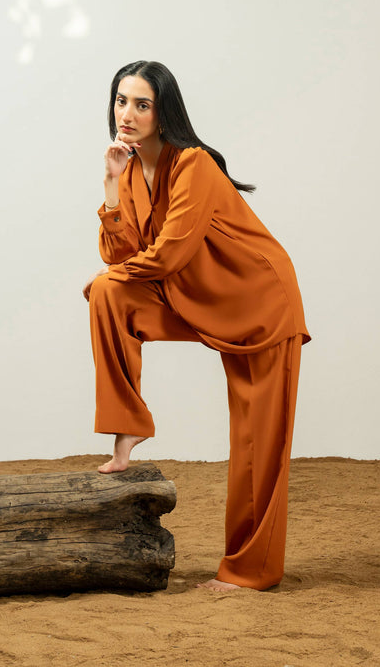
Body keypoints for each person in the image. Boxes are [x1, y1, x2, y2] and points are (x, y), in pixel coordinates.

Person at [82, 61, 310, 593]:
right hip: (196, 298)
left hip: (258, 302)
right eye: (121, 101)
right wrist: (111, 184)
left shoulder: (194, 165)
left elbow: (167, 255)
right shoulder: (131, 172)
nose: (127, 114)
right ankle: (128, 425)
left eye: (142, 104)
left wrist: (110, 274)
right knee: (110, 295)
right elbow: (121, 255)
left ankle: (250, 572)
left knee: (256, 448)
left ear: (164, 113)